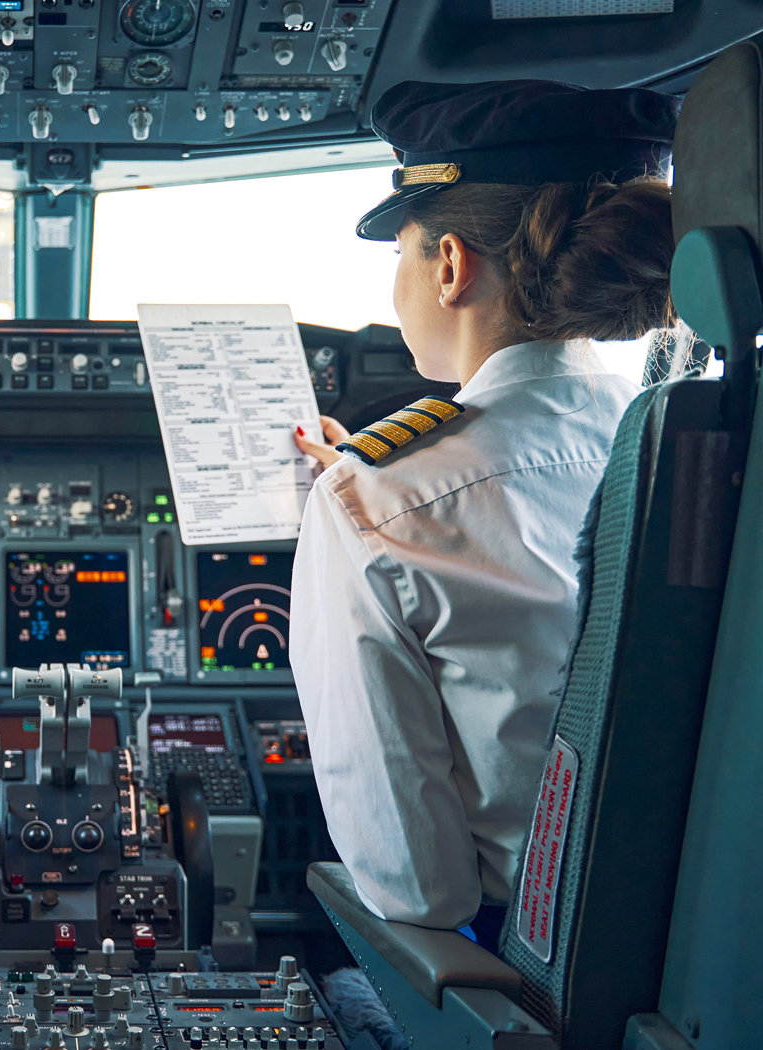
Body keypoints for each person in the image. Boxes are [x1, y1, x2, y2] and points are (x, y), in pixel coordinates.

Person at [288, 79, 680, 943]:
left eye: (403, 254)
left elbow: (417, 890)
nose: (400, 285)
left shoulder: (373, 501)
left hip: (532, 972)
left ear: (452, 265)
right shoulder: (694, 448)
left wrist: (354, 503)